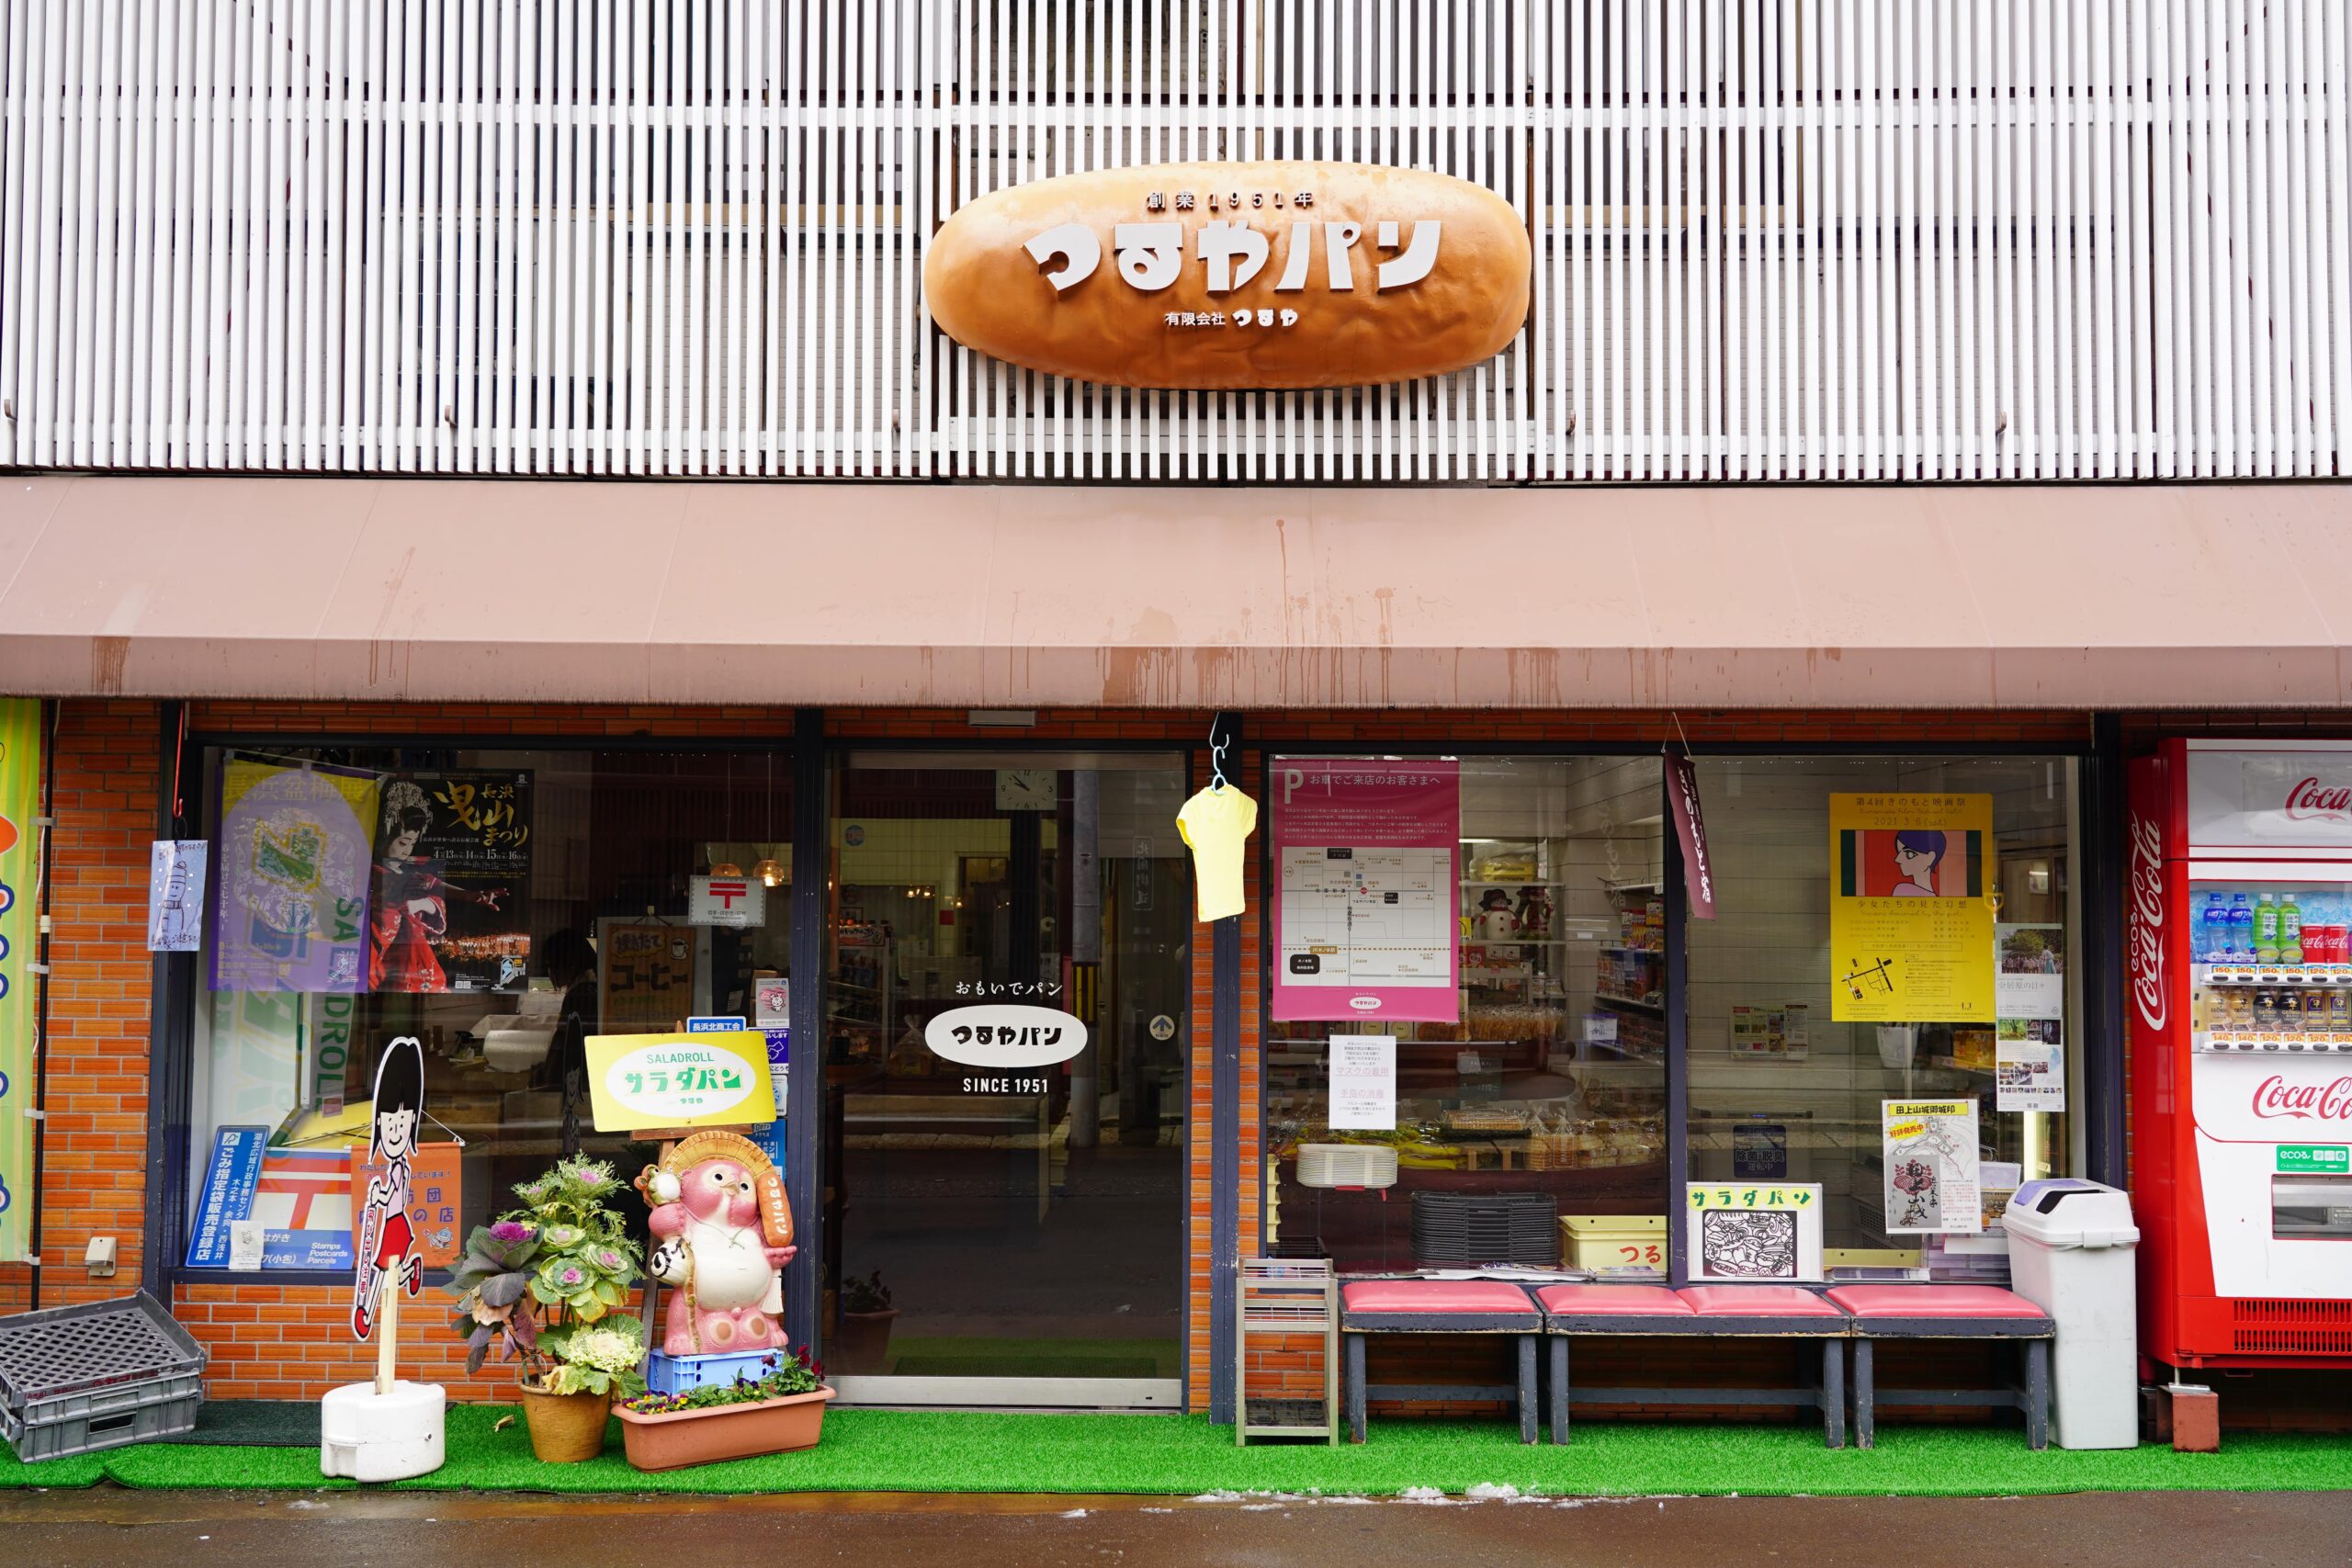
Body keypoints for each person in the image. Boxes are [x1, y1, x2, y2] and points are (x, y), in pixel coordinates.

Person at [368, 781, 506, 991]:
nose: (406, 851)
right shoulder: (376, 874)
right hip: (381, 959)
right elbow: (423, 883)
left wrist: (467, 895)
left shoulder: (401, 874)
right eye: (402, 843)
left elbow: (428, 883)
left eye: (411, 844)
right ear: (383, 839)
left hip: (410, 960)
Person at [353, 1036, 426, 1338]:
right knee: (388, 1275)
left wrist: (377, 1195)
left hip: (395, 1225)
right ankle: (412, 1269)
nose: (395, 1133)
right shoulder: (399, 1165)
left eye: (402, 1125)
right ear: (379, 1125)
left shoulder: (398, 1167)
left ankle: (366, 1314)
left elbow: (393, 1196)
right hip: (395, 1226)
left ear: (412, 1123)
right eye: (389, 1125)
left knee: (382, 1274)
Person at [1890, 829, 1947, 897]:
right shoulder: (1902, 889)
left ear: (1930, 858)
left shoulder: (1902, 890)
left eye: (1909, 854)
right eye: (1899, 852)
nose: (1897, 859)